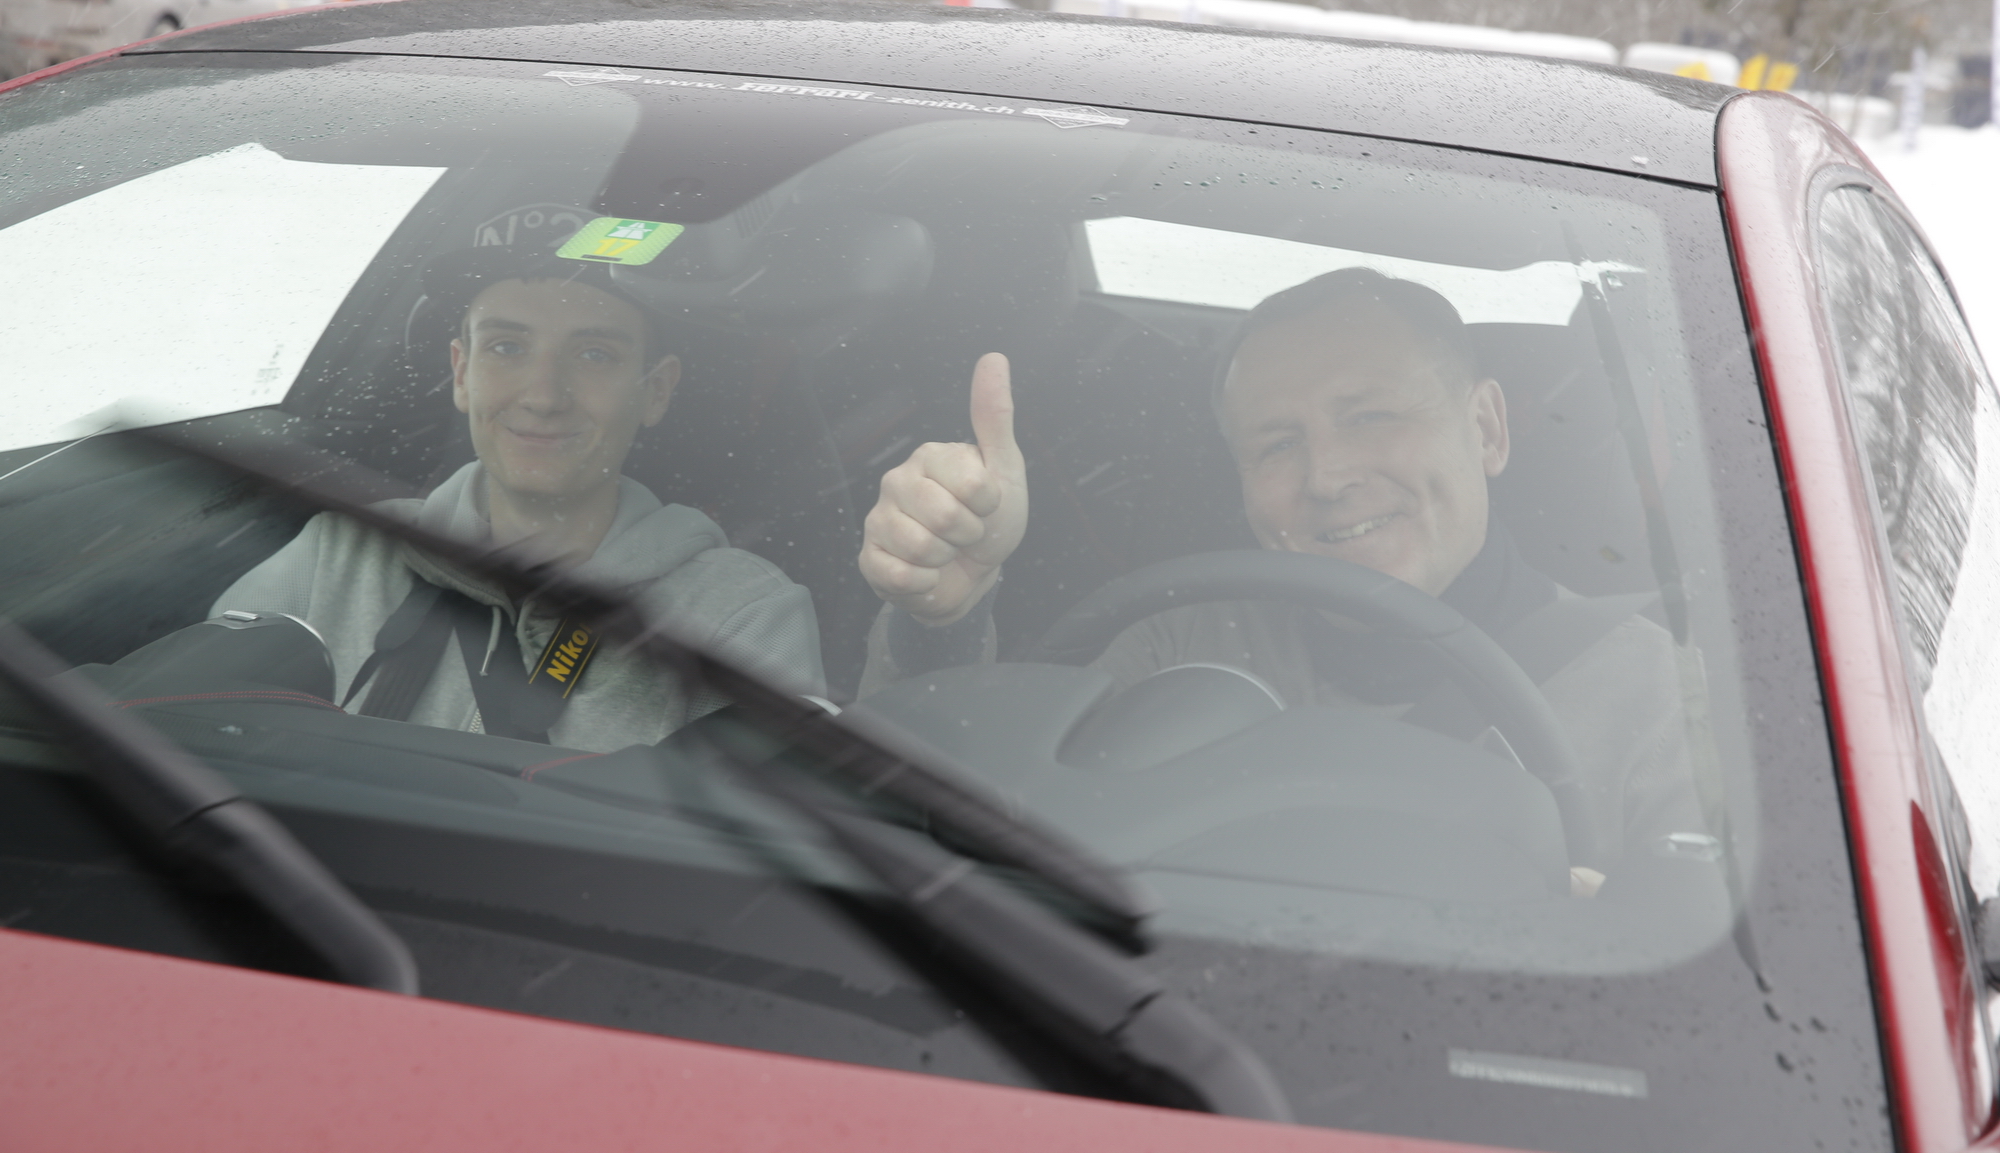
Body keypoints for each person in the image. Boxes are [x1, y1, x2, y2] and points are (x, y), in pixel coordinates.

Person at [856, 268, 1701, 876]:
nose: (1327, 475)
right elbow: (947, 842)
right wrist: (942, 623)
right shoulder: (1175, 646)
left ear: (1486, 428)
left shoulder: (1659, 693)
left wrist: (1601, 935)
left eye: (1371, 415)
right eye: (1276, 444)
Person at [213, 252, 824, 752]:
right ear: (461, 373)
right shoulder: (339, 552)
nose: (544, 396)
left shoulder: (739, 615)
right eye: (506, 347)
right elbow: (189, 737)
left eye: (594, 354)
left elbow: (770, 835)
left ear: (656, 391)